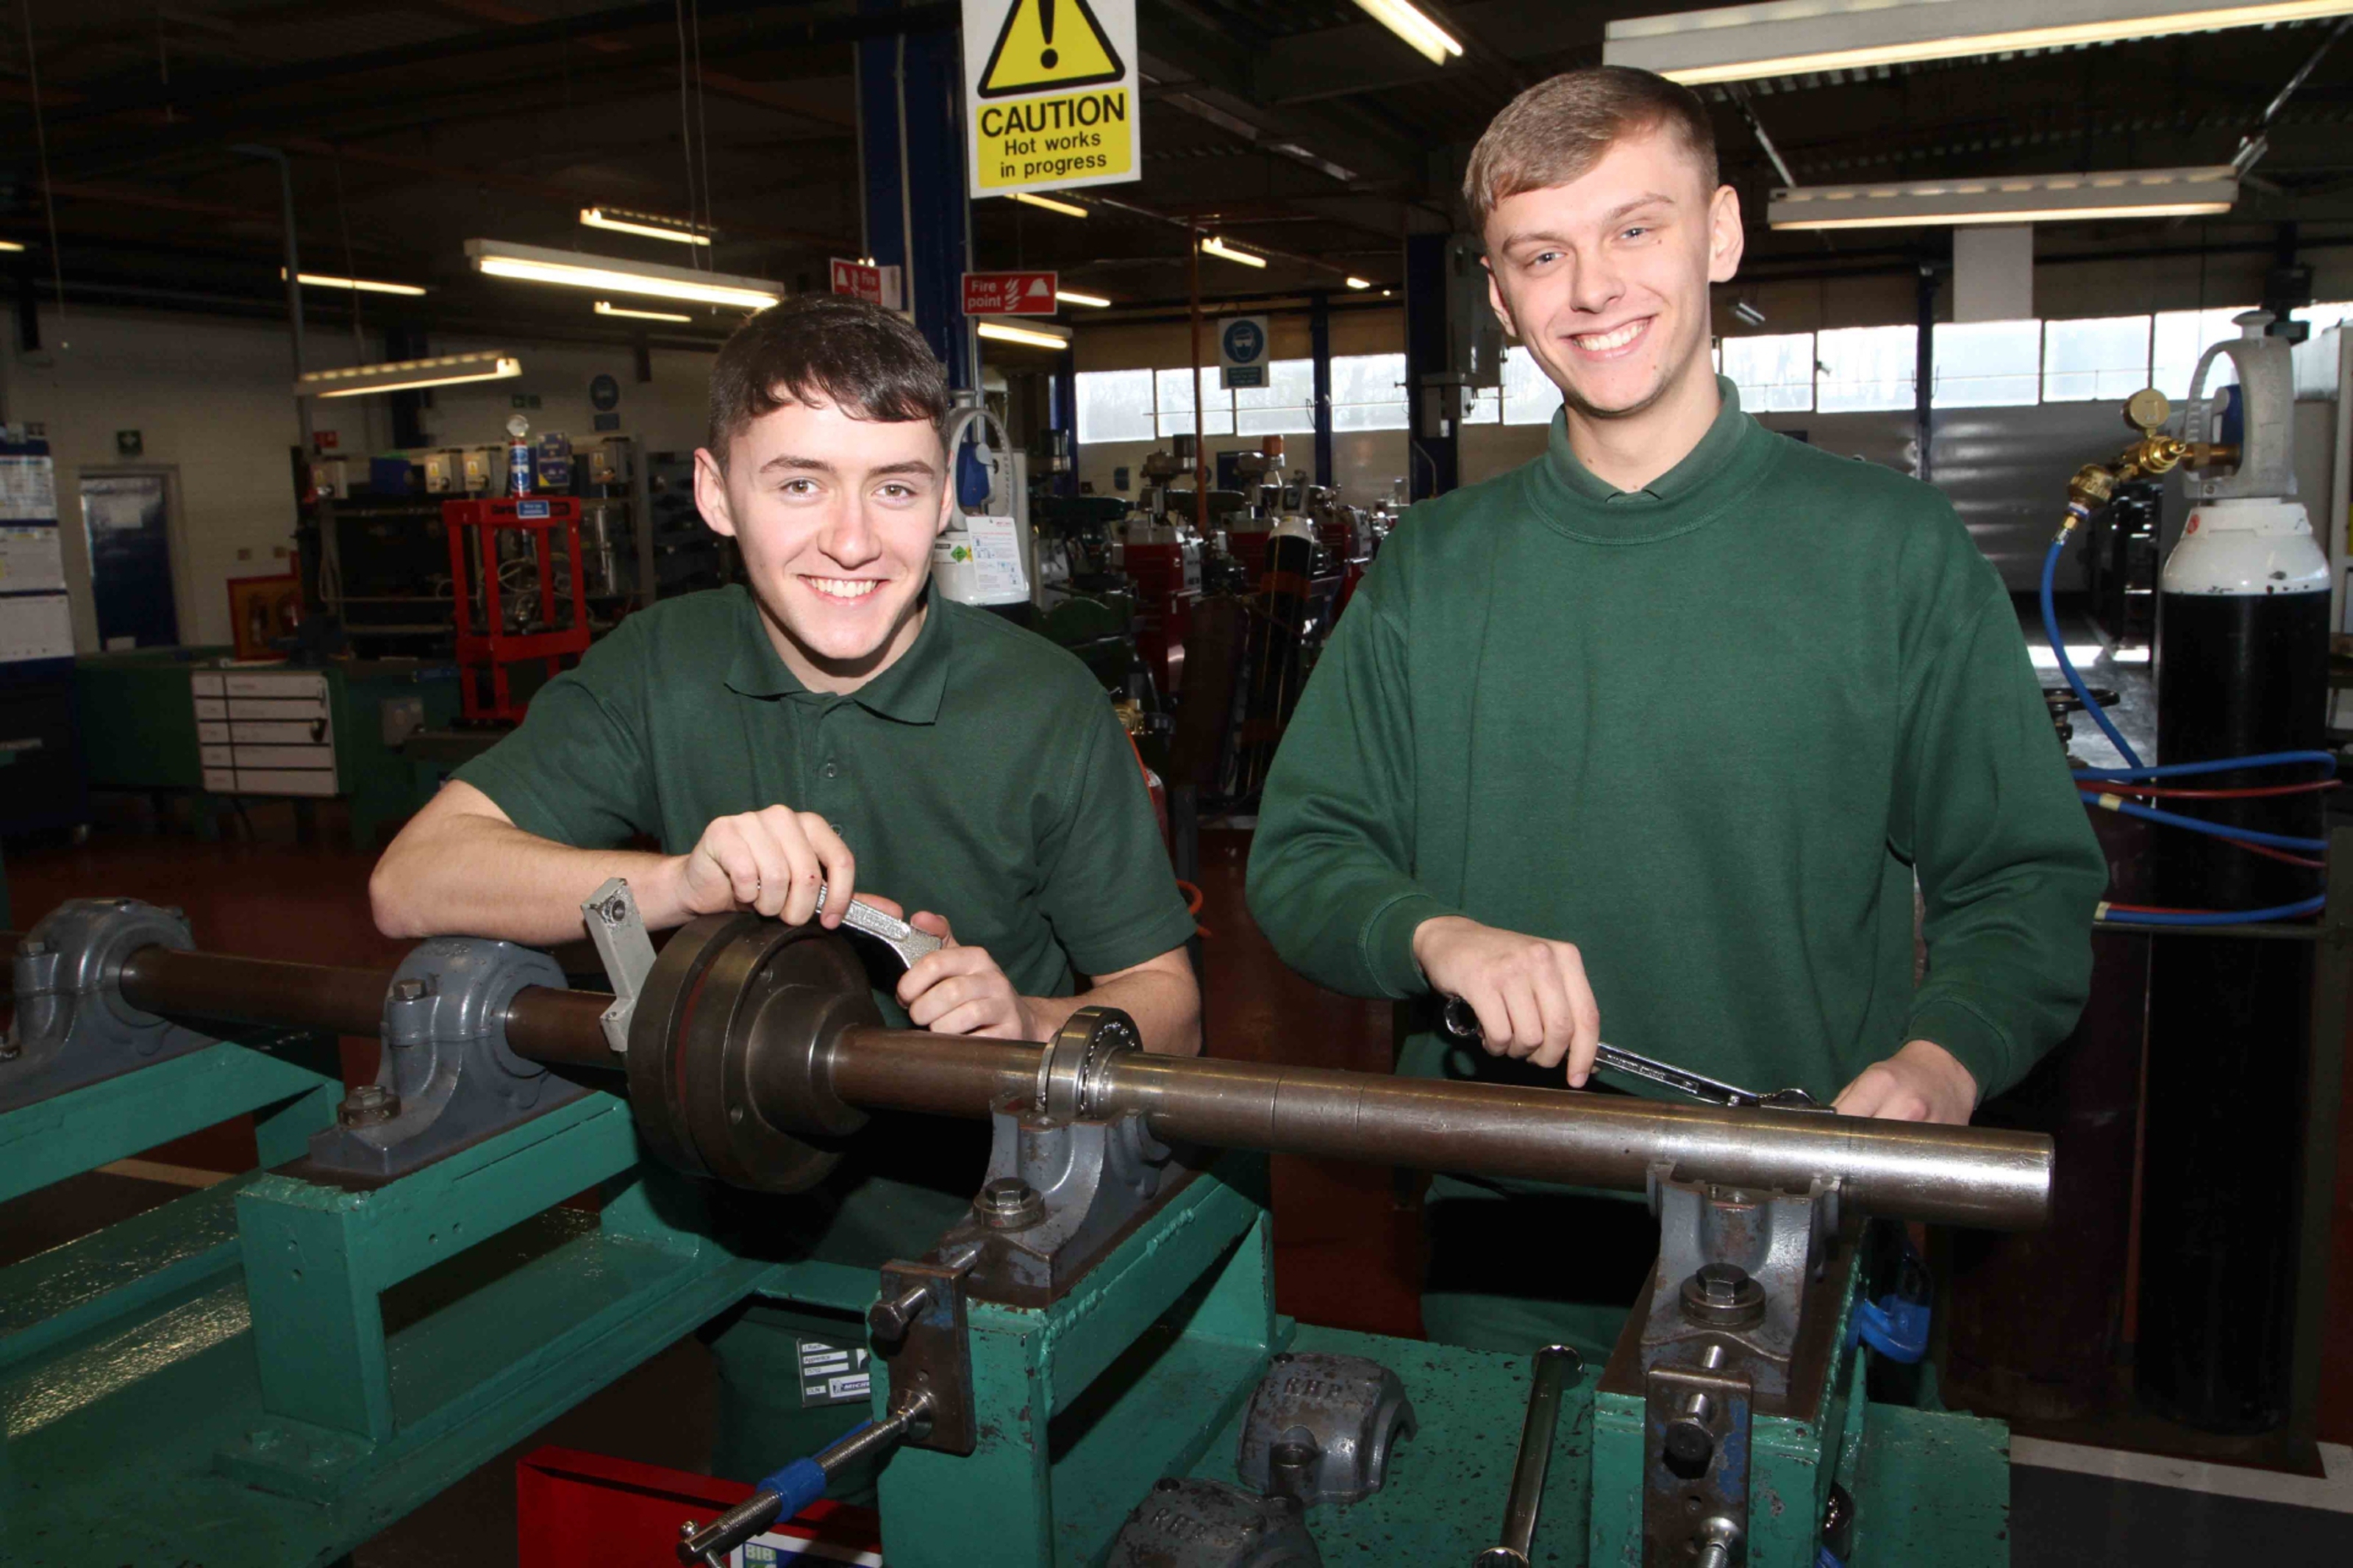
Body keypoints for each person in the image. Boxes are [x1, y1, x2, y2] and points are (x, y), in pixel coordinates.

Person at [1245, 67, 2105, 1359]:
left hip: (1802, 1229)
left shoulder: (1894, 553)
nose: (1593, 289)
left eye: (1636, 229)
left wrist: (1945, 1060)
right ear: (1499, 294)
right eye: (1545, 253)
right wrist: (1437, 933)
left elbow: (2025, 879)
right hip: (1511, 1230)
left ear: (1720, 233)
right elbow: (1304, 856)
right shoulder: (1433, 567)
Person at [371, 292, 1200, 1471]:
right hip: (754, 1254)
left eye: (897, 486)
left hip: (1007, 1249)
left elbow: (1165, 995)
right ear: (717, 492)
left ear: (949, 492)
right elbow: (413, 879)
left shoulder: (1040, 704)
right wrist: (672, 882)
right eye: (800, 483)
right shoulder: (662, 667)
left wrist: (1027, 1024)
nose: (854, 539)